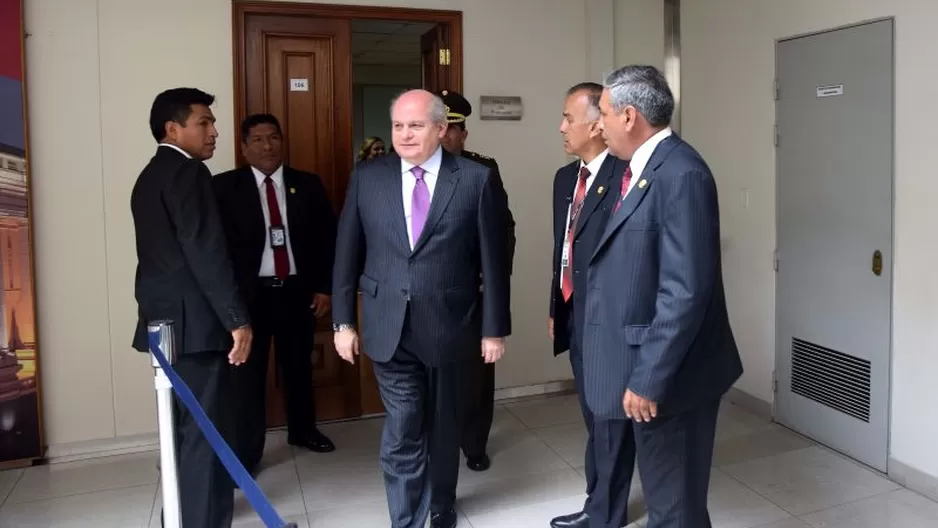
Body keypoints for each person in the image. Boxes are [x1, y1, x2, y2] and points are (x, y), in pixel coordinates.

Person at [331, 89, 512, 528]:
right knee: (404, 423)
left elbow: (494, 257)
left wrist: (494, 329)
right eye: (398, 126)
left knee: (444, 423)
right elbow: (346, 252)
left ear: (441, 129)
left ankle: (442, 502)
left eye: (415, 125)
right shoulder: (367, 177)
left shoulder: (473, 179)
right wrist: (342, 321)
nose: (405, 135)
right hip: (386, 324)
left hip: (452, 324)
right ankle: (407, 518)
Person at [587, 65, 744, 527]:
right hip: (648, 364)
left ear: (630, 116)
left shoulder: (681, 172)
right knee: (666, 502)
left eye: (604, 114)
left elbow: (686, 289)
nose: (599, 125)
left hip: (674, 376)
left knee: (675, 509)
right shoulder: (640, 168)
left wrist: (649, 376)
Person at [131, 87, 253, 528]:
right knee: (205, 433)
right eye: (203, 122)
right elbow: (206, 252)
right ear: (173, 128)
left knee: (181, 430)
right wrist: (237, 320)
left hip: (165, 323)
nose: (214, 131)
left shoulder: (150, 175)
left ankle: (178, 518)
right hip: (197, 326)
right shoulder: (188, 174)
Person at [213, 113, 337, 475]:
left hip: (296, 293)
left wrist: (325, 287)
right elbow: (215, 249)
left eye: (273, 138)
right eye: (257, 140)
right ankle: (248, 451)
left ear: (282, 141)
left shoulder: (307, 184)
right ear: (243, 147)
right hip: (248, 298)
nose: (267, 146)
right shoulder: (224, 188)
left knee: (299, 367)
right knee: (247, 378)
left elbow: (327, 239)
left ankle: (303, 431)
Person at [548, 82, 636, 528]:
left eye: (568, 117)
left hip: (610, 321)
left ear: (598, 124)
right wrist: (555, 307)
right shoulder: (567, 178)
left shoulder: (625, 175)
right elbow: (564, 249)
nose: (562, 127)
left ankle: (604, 513)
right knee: (594, 416)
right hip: (576, 314)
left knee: (609, 420)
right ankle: (597, 500)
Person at [435, 88, 517, 472]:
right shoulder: (409, 172)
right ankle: (435, 446)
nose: (445, 136)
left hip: (474, 294)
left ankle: (475, 445)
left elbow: (504, 229)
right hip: (429, 296)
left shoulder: (483, 169)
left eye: (453, 129)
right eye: (439, 127)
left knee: (477, 378)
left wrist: (494, 277)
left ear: (463, 134)